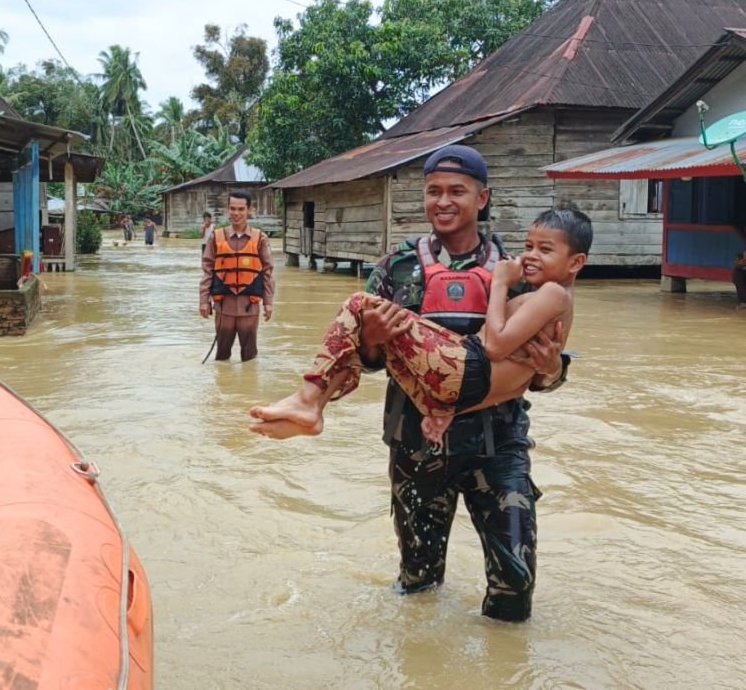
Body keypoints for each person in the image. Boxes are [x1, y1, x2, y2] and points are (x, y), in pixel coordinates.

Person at [258, 144, 564, 621]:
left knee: (515, 585)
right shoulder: (396, 267)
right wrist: (373, 342)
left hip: (498, 442)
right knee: (418, 585)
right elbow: (366, 359)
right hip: (416, 444)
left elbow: (545, 370)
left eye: (456, 191)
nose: (443, 201)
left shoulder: (520, 270)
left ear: (482, 198)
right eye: (433, 191)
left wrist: (553, 369)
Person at [249, 207, 589, 442]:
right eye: (528, 246)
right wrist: (449, 409)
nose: (530, 255)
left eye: (544, 249)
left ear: (481, 199)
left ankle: (310, 400)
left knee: (358, 304)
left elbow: (495, 349)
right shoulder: (398, 263)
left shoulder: (545, 291)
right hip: (452, 396)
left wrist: (499, 283)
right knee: (365, 329)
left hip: (476, 398)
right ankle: (312, 408)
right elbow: (512, 381)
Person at [200, 190, 275, 362]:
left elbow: (268, 271)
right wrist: (204, 300)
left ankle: (248, 380)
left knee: (249, 356)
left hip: (250, 306)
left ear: (249, 210)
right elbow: (207, 270)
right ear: (228, 209)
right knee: (222, 355)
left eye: (241, 209)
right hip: (223, 306)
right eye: (232, 208)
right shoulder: (216, 237)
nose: (236, 213)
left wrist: (268, 302)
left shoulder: (260, 238)